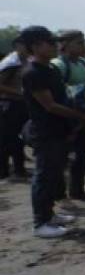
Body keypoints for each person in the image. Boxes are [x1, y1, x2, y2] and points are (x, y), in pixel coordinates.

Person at [20, 26, 85, 238]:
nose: (55, 46)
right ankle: (40, 223)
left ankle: (49, 214)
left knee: (54, 174)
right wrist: (79, 116)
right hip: (46, 132)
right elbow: (50, 105)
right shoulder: (32, 72)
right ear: (35, 46)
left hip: (60, 130)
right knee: (44, 176)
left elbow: (63, 97)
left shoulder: (50, 69)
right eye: (50, 43)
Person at [51, 30, 85, 200]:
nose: (84, 46)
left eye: (83, 42)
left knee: (82, 154)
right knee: (59, 157)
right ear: (65, 44)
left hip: (82, 117)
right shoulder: (58, 65)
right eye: (79, 43)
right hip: (64, 118)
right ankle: (58, 194)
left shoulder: (83, 63)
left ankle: (77, 190)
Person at [0, 34, 29, 180]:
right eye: (25, 45)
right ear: (17, 46)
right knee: (6, 139)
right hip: (9, 104)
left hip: (22, 104)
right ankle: (3, 171)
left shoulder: (26, 61)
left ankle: (19, 169)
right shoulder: (11, 62)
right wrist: (20, 92)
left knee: (19, 138)